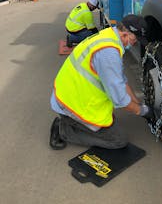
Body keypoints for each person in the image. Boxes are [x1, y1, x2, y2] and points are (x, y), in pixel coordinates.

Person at [49, 14, 153, 150]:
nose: (135, 43)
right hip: (71, 105)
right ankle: (64, 131)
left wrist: (138, 104)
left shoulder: (108, 36)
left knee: (110, 120)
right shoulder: (108, 54)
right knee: (118, 140)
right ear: (125, 34)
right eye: (135, 39)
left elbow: (121, 80)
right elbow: (121, 100)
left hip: (70, 94)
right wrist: (143, 111)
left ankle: (71, 123)